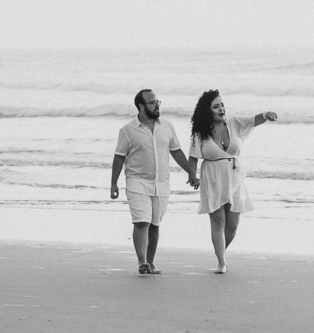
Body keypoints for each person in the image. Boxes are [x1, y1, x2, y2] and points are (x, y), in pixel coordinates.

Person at [188, 89, 277, 274]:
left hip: (234, 177)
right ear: (208, 111)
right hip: (212, 177)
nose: (221, 109)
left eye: (222, 105)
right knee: (218, 221)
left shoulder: (234, 124)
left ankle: (221, 254)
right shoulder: (200, 133)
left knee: (232, 225)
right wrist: (192, 175)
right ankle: (221, 263)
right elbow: (193, 157)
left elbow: (253, 120)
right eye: (216, 106)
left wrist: (266, 115)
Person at [110, 89, 194, 275]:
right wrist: (114, 184)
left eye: (158, 102)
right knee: (142, 222)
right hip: (137, 182)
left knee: (155, 224)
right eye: (152, 102)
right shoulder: (128, 130)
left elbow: (176, 151)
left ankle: (151, 262)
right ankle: (142, 262)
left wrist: (191, 172)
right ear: (141, 106)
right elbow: (119, 157)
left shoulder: (167, 126)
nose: (157, 105)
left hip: (162, 183)